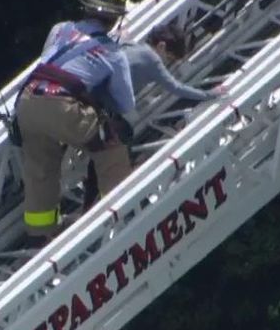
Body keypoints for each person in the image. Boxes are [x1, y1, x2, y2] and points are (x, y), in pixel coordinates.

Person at [15, 0, 137, 239]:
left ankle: (41, 230)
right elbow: (126, 106)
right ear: (115, 18)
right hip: (62, 106)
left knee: (41, 165)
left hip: (26, 103)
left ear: (85, 8)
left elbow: (51, 64)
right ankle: (120, 212)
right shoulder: (113, 52)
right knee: (111, 144)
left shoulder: (60, 29)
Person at [82, 23, 225, 206]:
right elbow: (176, 88)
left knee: (110, 143)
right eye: (169, 58)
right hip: (101, 108)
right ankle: (101, 196)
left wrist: (120, 36)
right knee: (121, 138)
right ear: (162, 46)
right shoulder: (152, 60)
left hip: (90, 98)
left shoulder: (133, 46)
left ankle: (93, 190)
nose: (166, 63)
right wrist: (210, 94)